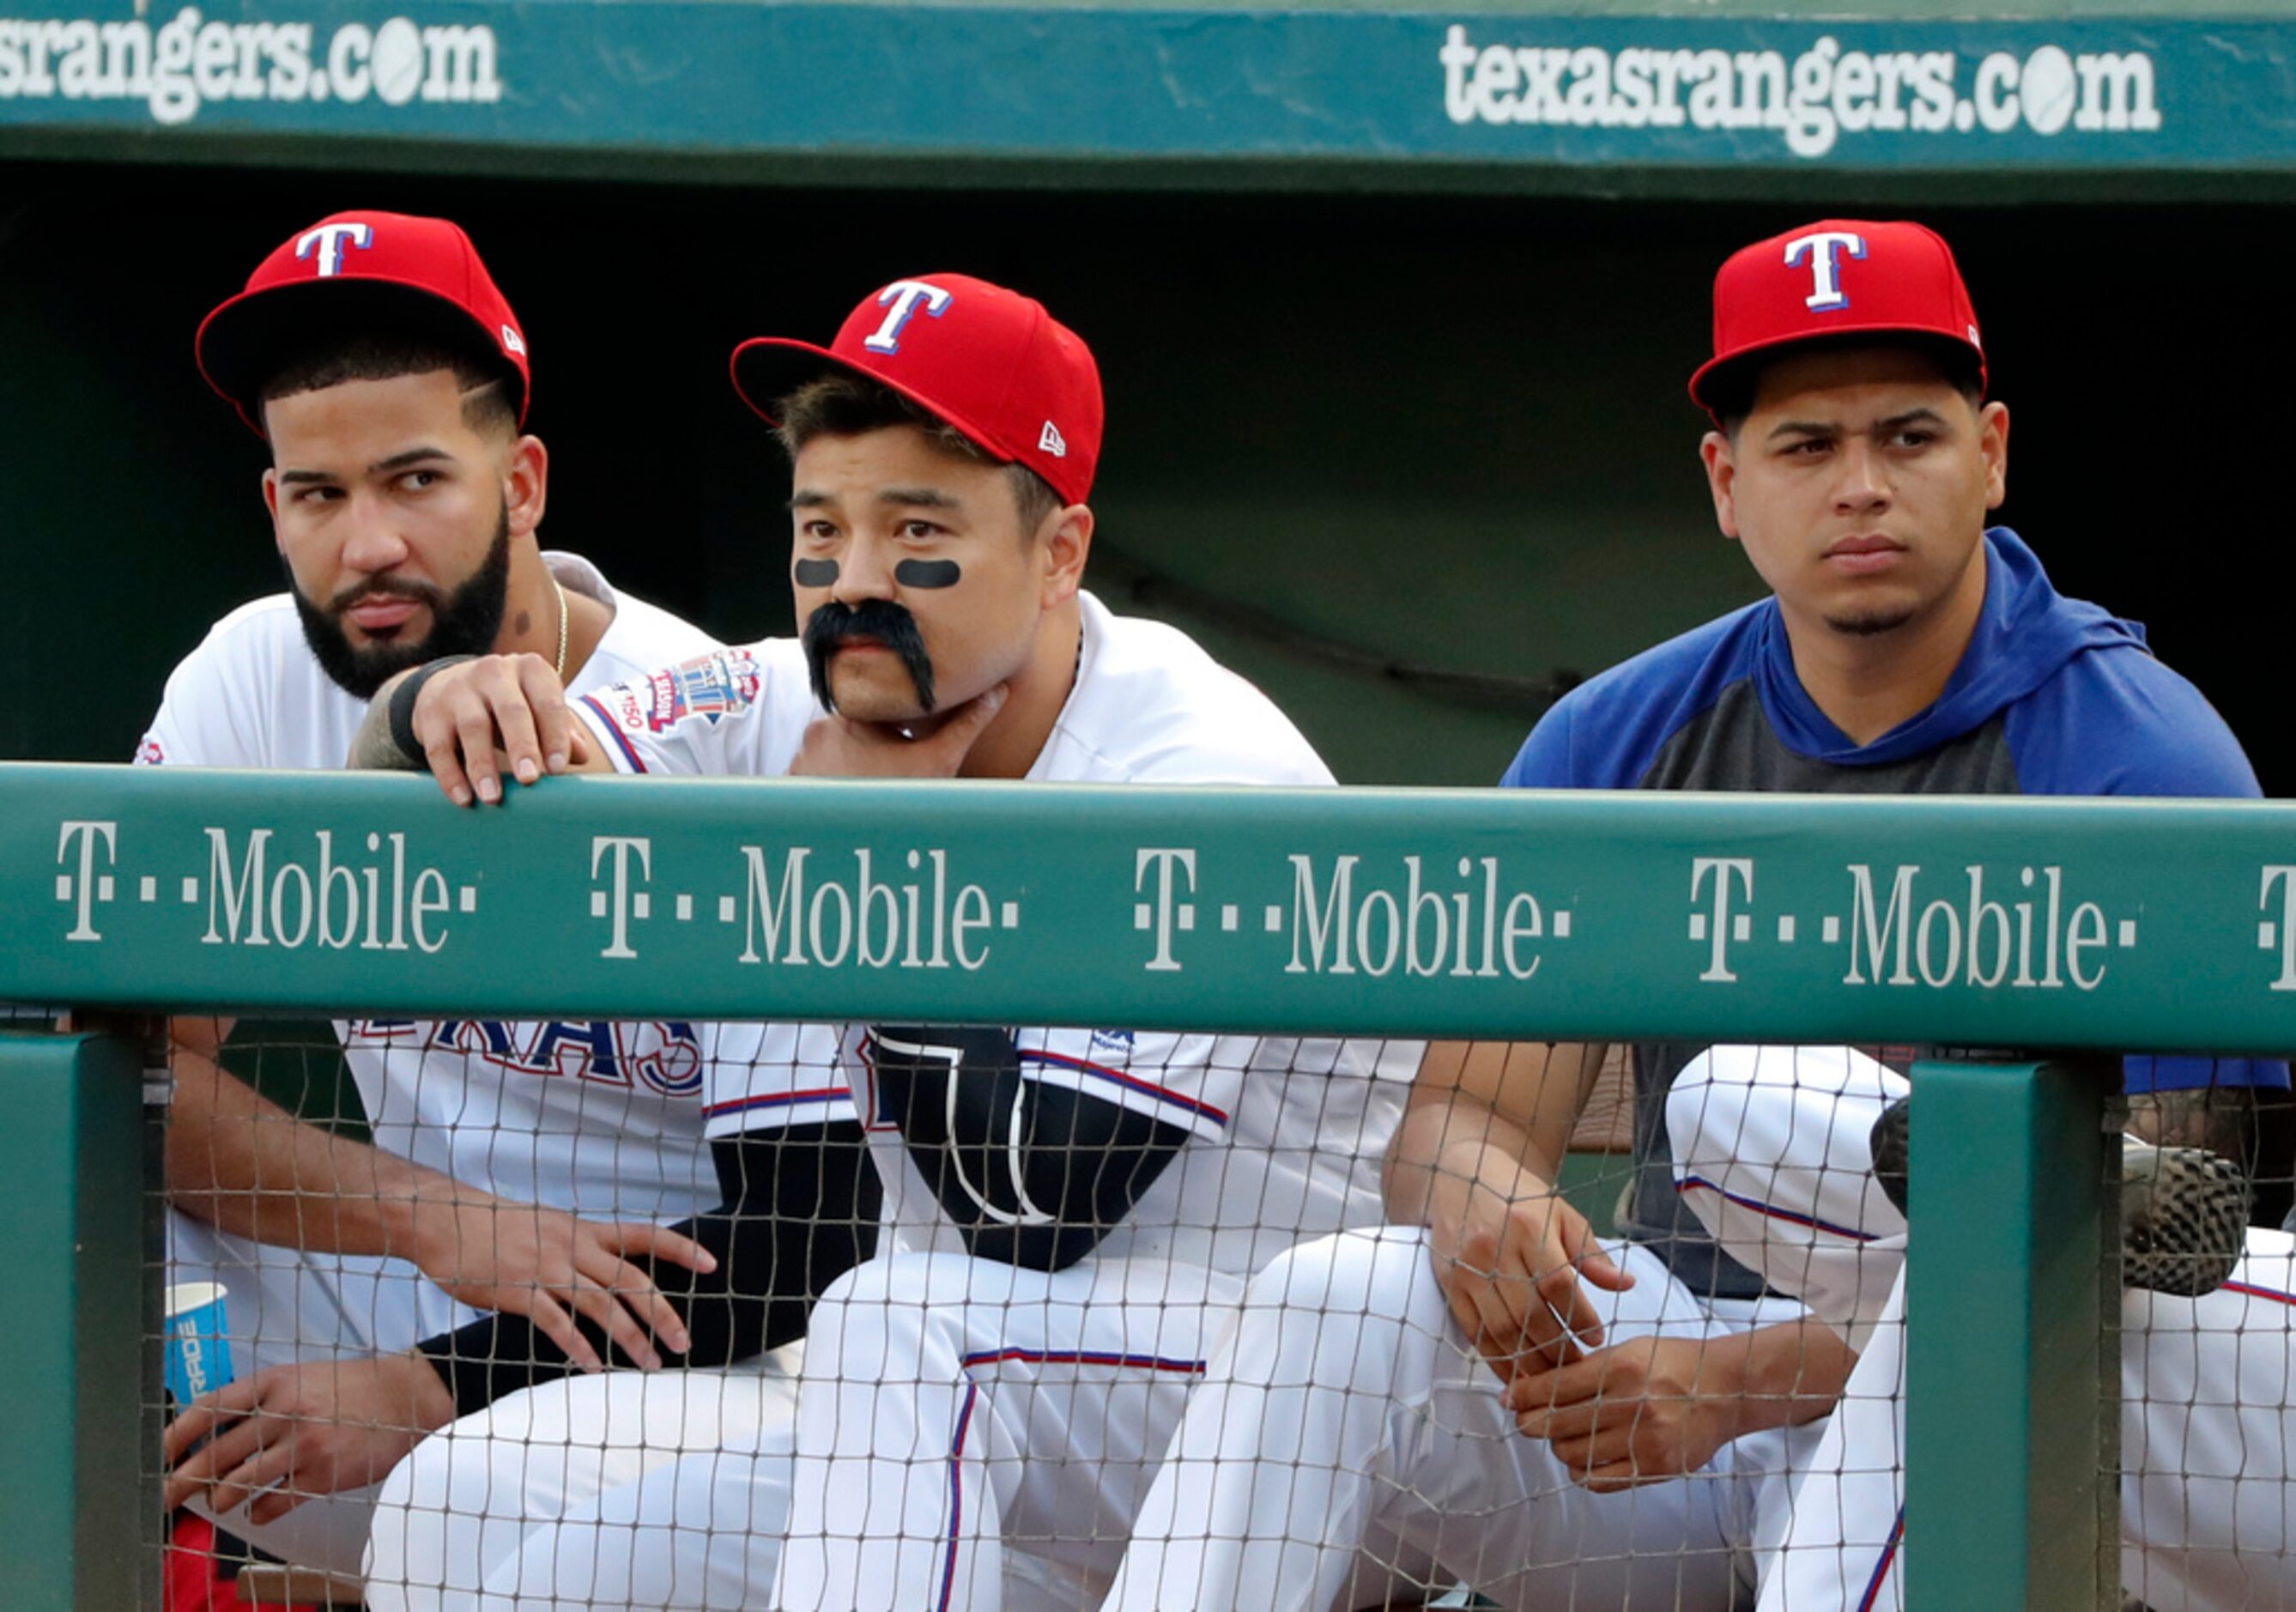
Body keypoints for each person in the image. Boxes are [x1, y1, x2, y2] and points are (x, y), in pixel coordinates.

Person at [1103, 218, 2284, 1612]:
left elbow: (2155, 1258)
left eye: (1910, 436)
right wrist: (1482, 1202)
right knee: (1341, 1299)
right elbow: (1461, 1121)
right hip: (1661, 1397)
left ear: (1994, 454)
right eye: (1806, 446)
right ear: (1727, 482)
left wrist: (1737, 1383)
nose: (1862, 486)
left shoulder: (2137, 755)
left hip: (2000, 1415)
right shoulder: (1617, 736)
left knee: (1852, 1174)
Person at [352, 272, 1417, 1612]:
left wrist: (871, 879)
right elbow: (429, 762)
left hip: (1244, 1427)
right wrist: (444, 693)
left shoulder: (1197, 778)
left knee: (900, 1321)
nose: (853, 586)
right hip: (942, 1409)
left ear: (1059, 553)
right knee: (469, 1519)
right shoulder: (791, 703)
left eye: (917, 529)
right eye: (821, 529)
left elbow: (1033, 1212)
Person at [149, 210, 876, 1586]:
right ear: (273, 507)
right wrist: (435, 1219)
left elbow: (813, 1238)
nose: (368, 544)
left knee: (469, 1507)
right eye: (318, 494)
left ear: (525, 481)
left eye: (416, 478)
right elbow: (135, 1078)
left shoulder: (721, 717)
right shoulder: (253, 677)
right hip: (416, 1281)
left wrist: (429, 1379)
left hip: (707, 1351)